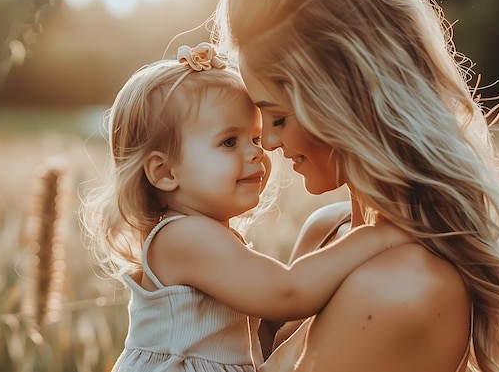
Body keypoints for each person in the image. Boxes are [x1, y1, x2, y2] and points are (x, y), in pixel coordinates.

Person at [213, 0, 499, 371]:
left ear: (344, 106)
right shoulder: (328, 231)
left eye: (278, 117)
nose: (269, 142)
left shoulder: (406, 285)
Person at [80, 42, 411, 372]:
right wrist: (378, 235)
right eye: (229, 141)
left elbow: (272, 326)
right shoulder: (182, 237)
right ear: (165, 172)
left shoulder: (201, 234)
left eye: (254, 138)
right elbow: (287, 292)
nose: (258, 151)